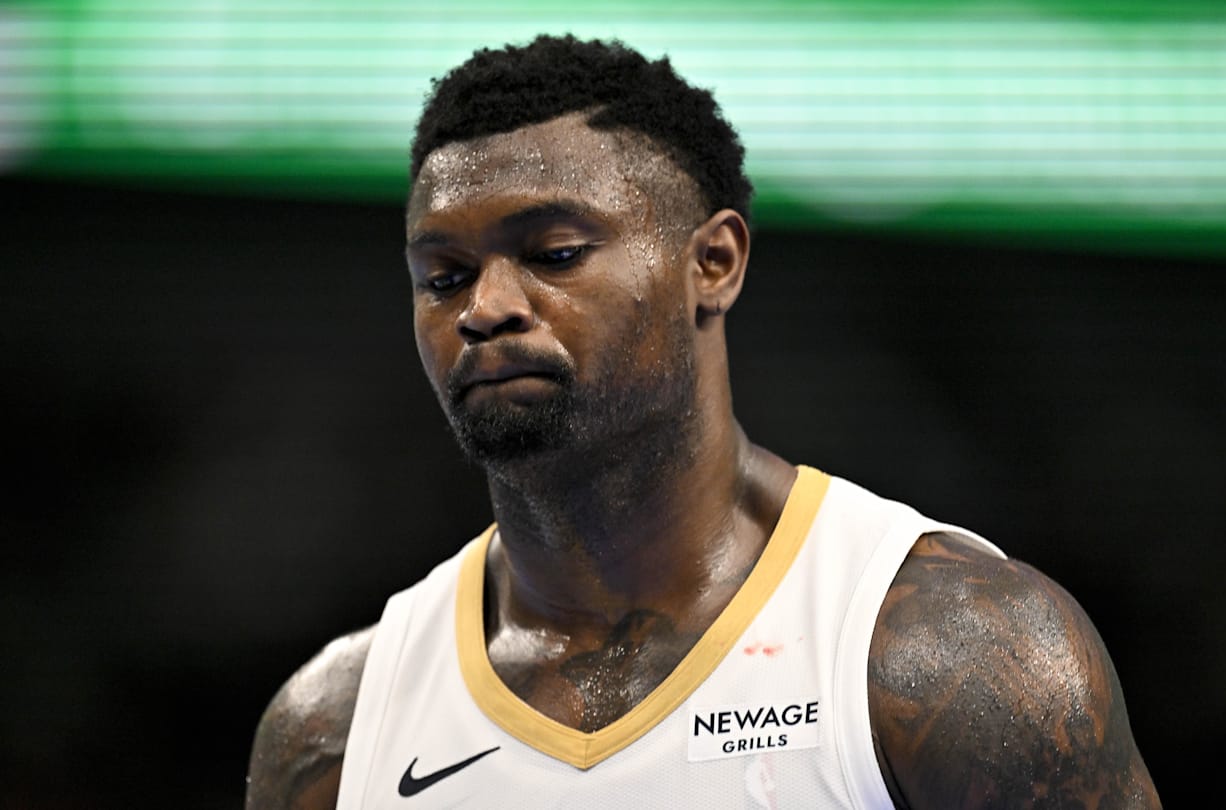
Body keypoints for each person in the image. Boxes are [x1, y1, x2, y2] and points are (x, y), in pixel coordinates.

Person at [245, 34, 1160, 809]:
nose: (485, 307)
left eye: (553, 254)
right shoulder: (335, 730)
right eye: (442, 276)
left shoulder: (952, 655)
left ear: (714, 263)